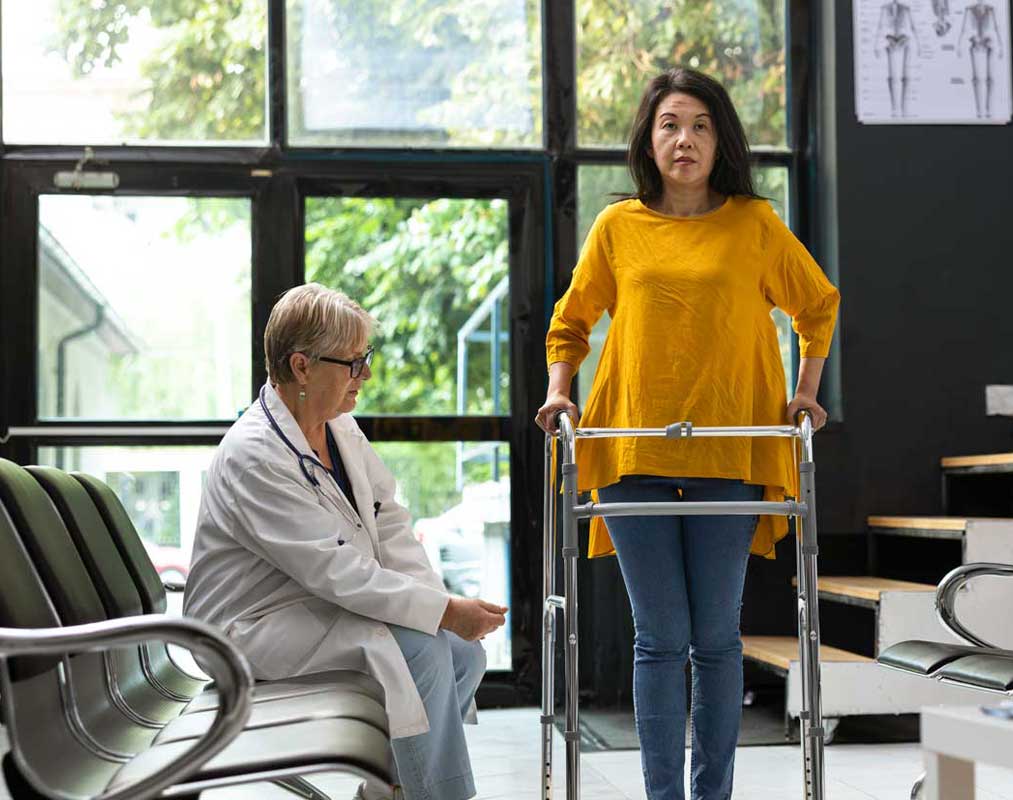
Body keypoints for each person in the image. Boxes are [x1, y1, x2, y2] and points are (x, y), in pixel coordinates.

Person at [536, 68, 839, 800]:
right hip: (633, 449)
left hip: (728, 448)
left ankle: (712, 796)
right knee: (660, 638)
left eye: (701, 125)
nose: (685, 139)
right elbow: (569, 322)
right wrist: (558, 393)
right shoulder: (618, 228)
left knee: (715, 640)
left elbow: (817, 307)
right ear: (649, 137)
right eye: (671, 124)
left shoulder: (754, 224)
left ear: (721, 140)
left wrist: (804, 395)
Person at [185, 283, 508, 800]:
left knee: (463, 655)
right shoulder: (254, 454)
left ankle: (393, 791)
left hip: (310, 606)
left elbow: (390, 525)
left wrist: (440, 606)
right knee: (418, 649)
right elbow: (336, 571)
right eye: (354, 363)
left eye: (366, 358)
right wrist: (440, 611)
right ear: (301, 366)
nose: (367, 375)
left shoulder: (340, 429)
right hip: (251, 627)